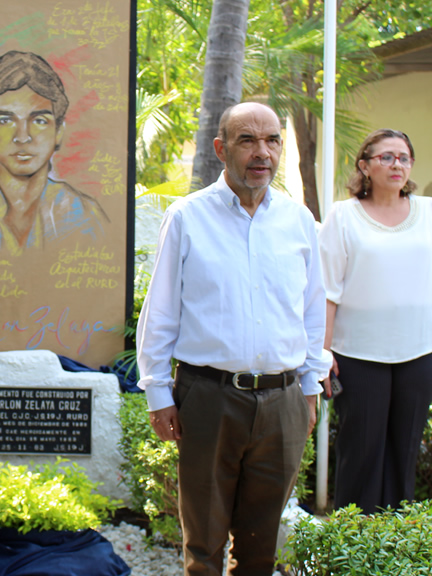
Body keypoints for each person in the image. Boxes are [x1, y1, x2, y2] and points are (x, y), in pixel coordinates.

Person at [136, 102, 329, 576]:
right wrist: (159, 393)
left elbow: (312, 310)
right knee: (203, 543)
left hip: (283, 400)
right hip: (208, 397)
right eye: (248, 140)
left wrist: (309, 387)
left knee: (262, 545)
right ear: (222, 149)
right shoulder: (187, 217)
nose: (262, 152)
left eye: (272, 140)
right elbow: (160, 312)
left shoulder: (298, 221)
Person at [320, 129, 432, 514]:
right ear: (365, 165)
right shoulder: (342, 215)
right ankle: (352, 545)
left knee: (404, 453)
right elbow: (327, 292)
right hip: (357, 357)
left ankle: (395, 541)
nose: (397, 164)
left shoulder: (431, 211)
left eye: (404, 157)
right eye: (386, 157)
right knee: (360, 452)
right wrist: (321, 352)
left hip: (421, 355)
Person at [0, 50, 108, 254]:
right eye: (6, 120)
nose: (23, 137)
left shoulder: (85, 216)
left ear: (59, 131)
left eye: (39, 121)